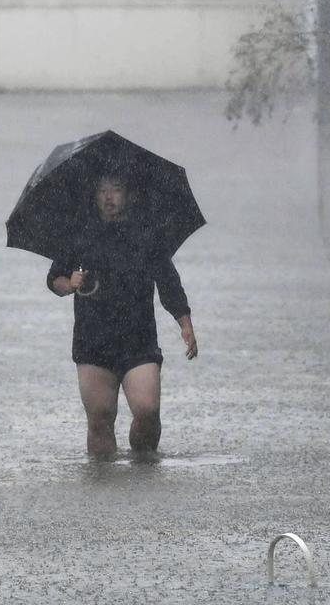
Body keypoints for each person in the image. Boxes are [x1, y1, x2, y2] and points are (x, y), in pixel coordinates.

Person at [47, 173, 197, 458]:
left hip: (138, 340)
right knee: (100, 419)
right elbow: (54, 279)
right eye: (102, 190)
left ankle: (144, 464)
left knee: (147, 410)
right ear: (94, 196)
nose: (108, 197)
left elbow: (168, 282)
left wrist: (185, 322)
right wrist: (70, 284)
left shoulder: (147, 234)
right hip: (93, 341)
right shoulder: (80, 234)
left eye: (116, 190)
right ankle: (102, 487)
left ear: (129, 195)